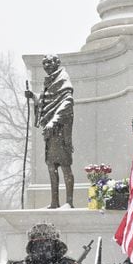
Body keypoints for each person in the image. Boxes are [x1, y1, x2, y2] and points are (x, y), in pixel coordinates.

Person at [25, 55, 75, 209]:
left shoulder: (62, 78)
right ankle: (54, 201)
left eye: (49, 63)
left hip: (60, 131)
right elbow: (47, 100)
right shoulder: (50, 81)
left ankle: (69, 201)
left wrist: (54, 121)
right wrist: (33, 96)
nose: (46, 66)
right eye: (44, 63)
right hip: (49, 133)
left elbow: (67, 102)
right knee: (51, 166)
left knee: (65, 166)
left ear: (56, 63)